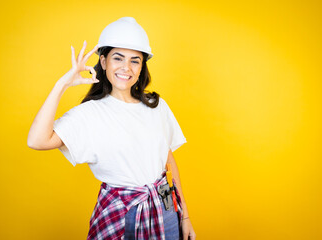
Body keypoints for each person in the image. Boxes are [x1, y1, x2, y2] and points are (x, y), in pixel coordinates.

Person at [27, 17, 196, 240]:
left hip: (165, 210)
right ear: (104, 62)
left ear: (142, 66)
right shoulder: (90, 113)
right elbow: (37, 141)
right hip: (121, 213)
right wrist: (63, 84)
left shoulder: (157, 106)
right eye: (118, 58)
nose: (126, 67)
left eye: (135, 61)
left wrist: (184, 217)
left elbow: (168, 161)